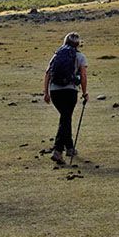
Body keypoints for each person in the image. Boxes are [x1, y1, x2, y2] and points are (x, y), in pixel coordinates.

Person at [43, 32, 88, 164]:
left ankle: (69, 147)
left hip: (55, 91)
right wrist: (85, 93)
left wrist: (46, 92)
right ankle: (58, 150)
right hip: (70, 90)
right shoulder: (80, 56)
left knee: (65, 117)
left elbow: (47, 74)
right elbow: (83, 76)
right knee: (65, 118)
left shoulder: (56, 55)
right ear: (78, 44)